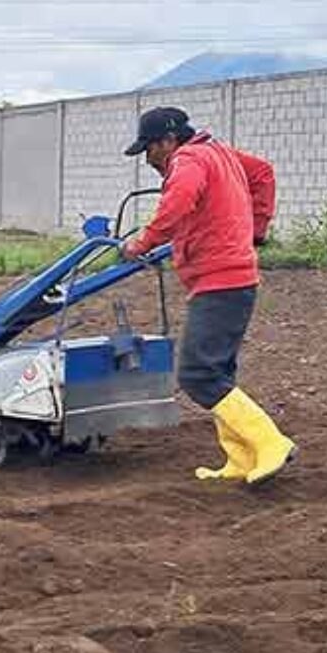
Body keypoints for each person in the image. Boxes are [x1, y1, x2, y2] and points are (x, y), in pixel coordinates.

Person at [119, 106, 290, 485]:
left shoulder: (189, 159)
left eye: (149, 149)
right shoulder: (219, 153)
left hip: (220, 281)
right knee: (219, 373)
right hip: (231, 278)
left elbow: (177, 203)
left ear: (168, 141)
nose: (148, 160)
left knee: (197, 375)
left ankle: (271, 442)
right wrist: (256, 231)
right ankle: (241, 460)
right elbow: (262, 172)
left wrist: (142, 243)